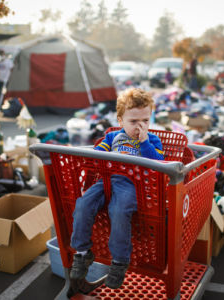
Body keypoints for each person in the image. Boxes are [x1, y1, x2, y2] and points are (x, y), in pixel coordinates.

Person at [70, 88, 164, 289]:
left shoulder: (152, 140)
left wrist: (145, 142)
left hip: (132, 184)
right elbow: (97, 155)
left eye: (145, 121)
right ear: (120, 121)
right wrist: (97, 155)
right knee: (83, 204)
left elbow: (158, 163)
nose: (140, 126)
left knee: (119, 211)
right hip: (106, 180)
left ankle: (120, 261)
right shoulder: (113, 138)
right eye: (133, 122)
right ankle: (82, 253)